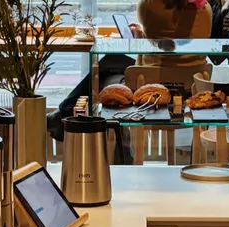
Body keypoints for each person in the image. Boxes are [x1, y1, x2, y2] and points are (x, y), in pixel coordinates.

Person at [47, 0, 216, 146]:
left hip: (148, 91)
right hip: (189, 90)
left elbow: (159, 28)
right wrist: (144, 36)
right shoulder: (205, 10)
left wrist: (142, 35)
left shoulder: (150, 5)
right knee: (112, 61)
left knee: (107, 67)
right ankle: (62, 114)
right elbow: (174, 38)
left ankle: (63, 116)